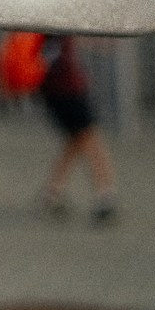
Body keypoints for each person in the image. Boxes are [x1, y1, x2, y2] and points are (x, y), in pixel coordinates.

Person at [33, 26, 118, 224]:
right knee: (90, 140)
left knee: (76, 140)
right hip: (68, 90)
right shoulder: (57, 21)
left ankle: (52, 192)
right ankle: (105, 196)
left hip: (52, 90)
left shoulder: (40, 22)